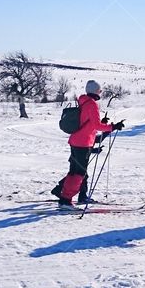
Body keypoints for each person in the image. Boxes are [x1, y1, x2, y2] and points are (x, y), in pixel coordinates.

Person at [55, 80, 124, 209]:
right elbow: (97, 125)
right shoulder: (92, 104)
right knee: (79, 174)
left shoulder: (83, 101)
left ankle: (64, 197)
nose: (101, 92)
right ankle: (66, 200)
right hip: (83, 142)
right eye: (100, 90)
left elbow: (87, 122)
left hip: (75, 140)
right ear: (96, 91)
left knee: (73, 172)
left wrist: (102, 122)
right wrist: (113, 126)